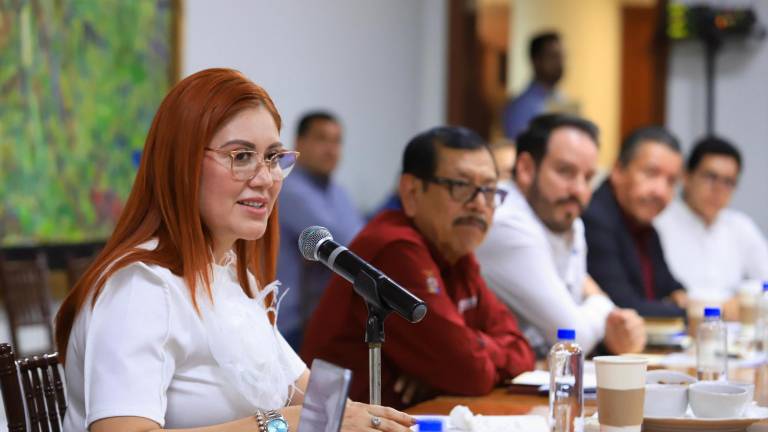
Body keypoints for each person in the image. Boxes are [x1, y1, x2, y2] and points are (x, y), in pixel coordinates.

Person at [54, 68, 414, 432]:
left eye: (274, 158)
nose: (266, 178)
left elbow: (308, 395)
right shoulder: (140, 288)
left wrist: (366, 417)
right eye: (241, 156)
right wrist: (278, 425)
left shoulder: (226, 277)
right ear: (182, 164)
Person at [301, 126, 535, 409]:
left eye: (488, 189)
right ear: (411, 192)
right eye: (460, 186)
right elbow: (468, 372)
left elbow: (522, 352)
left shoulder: (456, 252)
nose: (478, 204)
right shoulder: (395, 248)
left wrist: (442, 369)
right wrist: (451, 365)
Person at [476, 114, 646, 356]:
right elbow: (574, 338)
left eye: (588, 177)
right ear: (525, 169)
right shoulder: (505, 221)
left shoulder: (568, 219)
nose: (579, 190)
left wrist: (597, 307)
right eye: (565, 172)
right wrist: (603, 305)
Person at [276, 111, 364, 349]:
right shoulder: (288, 188)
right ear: (300, 143)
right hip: (289, 323)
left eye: (337, 141)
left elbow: (362, 244)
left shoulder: (338, 192)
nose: (331, 149)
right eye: (322, 139)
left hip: (324, 318)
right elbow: (346, 243)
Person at [656, 136, 768, 315]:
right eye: (710, 177)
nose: (718, 189)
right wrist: (724, 308)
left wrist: (745, 297)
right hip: (678, 329)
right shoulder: (659, 222)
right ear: (686, 176)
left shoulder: (740, 226)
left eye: (728, 182)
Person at [583, 126, 687, 317]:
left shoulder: (645, 227)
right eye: (651, 173)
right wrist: (681, 310)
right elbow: (624, 307)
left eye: (671, 181)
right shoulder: (595, 218)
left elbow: (673, 288)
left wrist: (677, 299)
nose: (661, 192)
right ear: (618, 171)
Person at [502, 32, 573, 140]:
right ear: (536, 61)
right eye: (553, 57)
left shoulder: (561, 98)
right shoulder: (520, 108)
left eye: (562, 57)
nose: (560, 63)